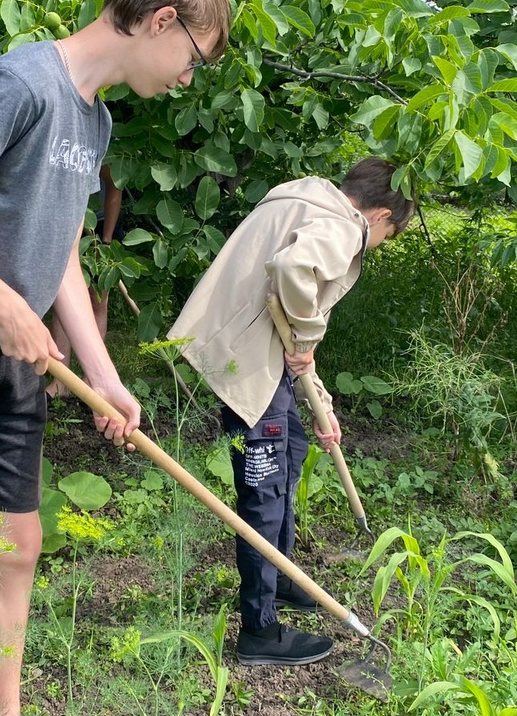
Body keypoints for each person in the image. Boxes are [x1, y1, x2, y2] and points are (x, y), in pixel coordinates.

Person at [0, 0, 230, 714]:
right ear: (162, 21)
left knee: (18, 546)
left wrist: (103, 376)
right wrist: (5, 303)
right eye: (195, 58)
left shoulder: (92, 119)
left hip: (17, 351)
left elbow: (59, 249)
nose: (190, 77)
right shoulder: (20, 85)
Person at [168, 157, 416, 666]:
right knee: (264, 494)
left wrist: (321, 402)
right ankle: (258, 629)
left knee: (294, 449)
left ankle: (280, 577)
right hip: (248, 366)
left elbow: (293, 337)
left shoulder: (305, 200)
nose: (379, 244)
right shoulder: (341, 227)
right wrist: (308, 337)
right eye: (388, 236)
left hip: (249, 352)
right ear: (382, 216)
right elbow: (292, 277)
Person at [47, 163, 123, 398]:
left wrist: (106, 241)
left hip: (101, 226)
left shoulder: (105, 149)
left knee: (97, 299)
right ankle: (61, 381)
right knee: (65, 299)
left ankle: (94, 380)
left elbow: (114, 189)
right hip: (70, 221)